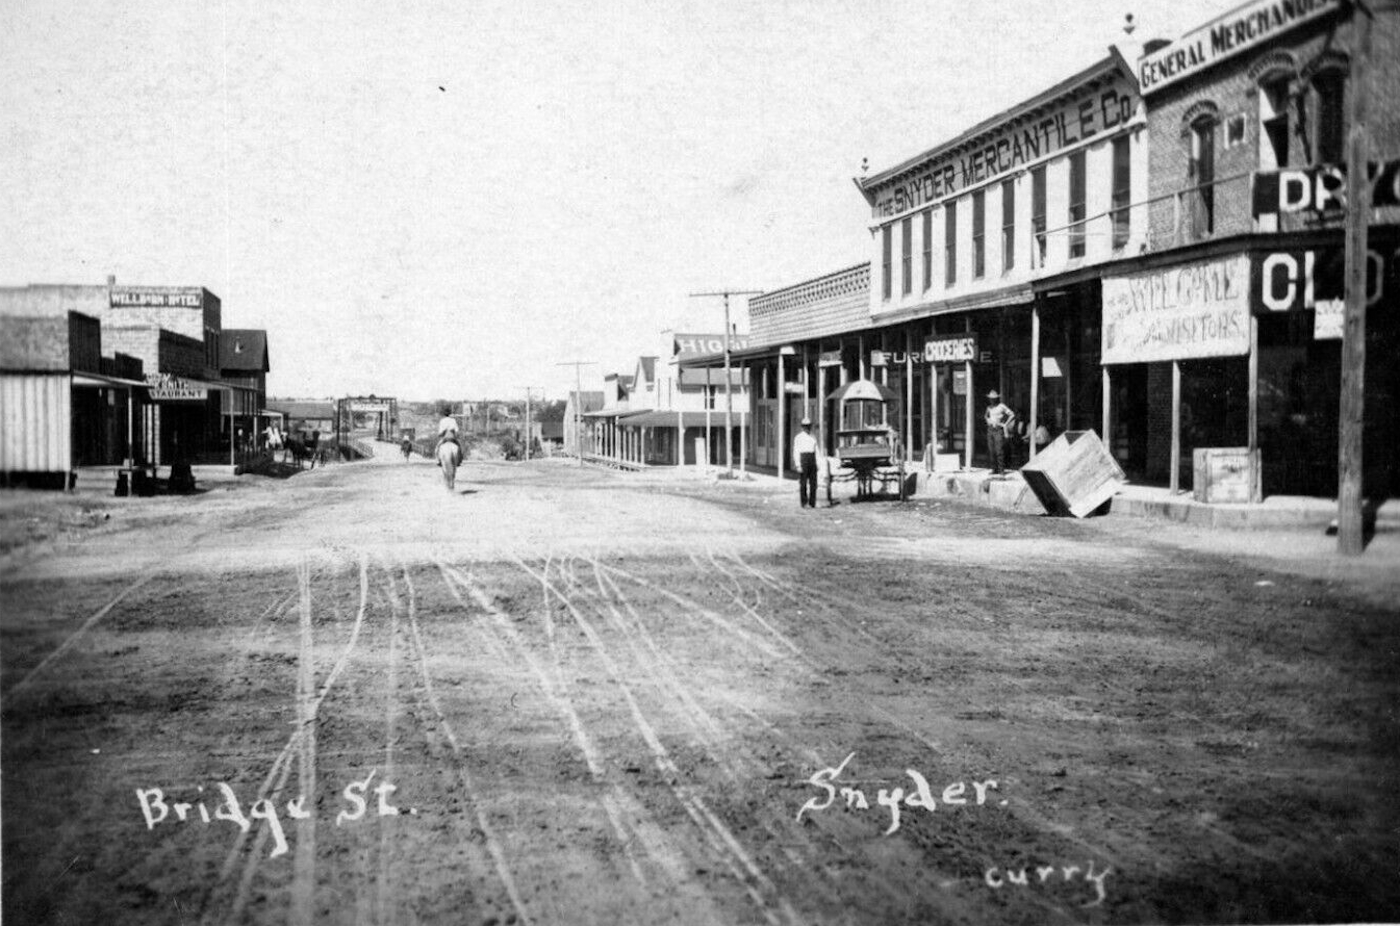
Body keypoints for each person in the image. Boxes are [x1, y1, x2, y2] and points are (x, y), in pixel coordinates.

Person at [984, 390, 1016, 475]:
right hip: (991, 429)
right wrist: (988, 421)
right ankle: (994, 469)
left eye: (993, 398)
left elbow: (1012, 414)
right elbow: (986, 416)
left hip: (998, 429)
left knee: (999, 450)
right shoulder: (989, 407)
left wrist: (1005, 424)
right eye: (991, 398)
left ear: (996, 398)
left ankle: (1001, 470)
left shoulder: (1001, 406)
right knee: (992, 450)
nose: (992, 400)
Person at [792, 417, 819, 508]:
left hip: (812, 458)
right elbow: (796, 451)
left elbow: (816, 450)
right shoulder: (798, 437)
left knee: (813, 483)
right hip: (803, 459)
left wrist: (818, 463)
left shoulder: (813, 436)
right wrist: (798, 464)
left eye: (809, 426)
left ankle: (812, 502)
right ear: (802, 427)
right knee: (803, 483)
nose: (807, 428)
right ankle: (804, 502)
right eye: (805, 426)